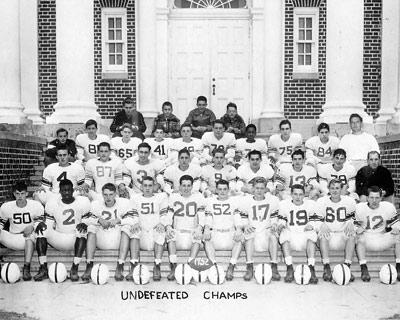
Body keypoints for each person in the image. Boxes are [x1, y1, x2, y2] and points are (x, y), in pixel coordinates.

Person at [34, 179, 90, 281]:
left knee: (82, 230)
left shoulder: (82, 202)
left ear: (73, 190)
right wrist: (42, 224)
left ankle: (75, 268)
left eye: (69, 190)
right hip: (59, 237)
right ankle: (43, 268)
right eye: (64, 190)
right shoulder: (52, 203)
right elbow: (49, 225)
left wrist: (85, 224)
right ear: (60, 191)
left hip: (75, 239)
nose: (67, 192)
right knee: (42, 230)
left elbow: (87, 221)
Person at [80, 183, 135, 282]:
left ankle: (120, 265)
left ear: (115, 194)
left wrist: (119, 221)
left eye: (111, 194)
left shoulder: (124, 203)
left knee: (126, 227)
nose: (108, 197)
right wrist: (99, 220)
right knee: (92, 227)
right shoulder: (96, 204)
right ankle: (89, 265)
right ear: (102, 194)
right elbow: (85, 220)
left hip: (118, 240)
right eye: (105, 195)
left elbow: (134, 219)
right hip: (102, 239)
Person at [230, 178, 281, 281]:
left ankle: (274, 266)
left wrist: (274, 225)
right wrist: (245, 226)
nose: (259, 191)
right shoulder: (246, 201)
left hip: (265, 233)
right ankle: (249, 266)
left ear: (265, 189)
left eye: (262, 188)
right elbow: (242, 218)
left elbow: (274, 218)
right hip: (253, 234)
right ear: (253, 188)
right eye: (257, 188)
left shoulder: (272, 200)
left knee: (273, 235)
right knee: (249, 234)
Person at [122, 177, 169, 281]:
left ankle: (157, 265)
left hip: (154, 234)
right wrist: (135, 223)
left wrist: (162, 223)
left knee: (160, 231)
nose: (147, 188)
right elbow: (132, 215)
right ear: (141, 187)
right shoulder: (135, 198)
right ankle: (134, 265)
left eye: (150, 185)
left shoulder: (161, 197)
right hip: (142, 235)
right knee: (134, 231)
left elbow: (164, 214)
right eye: (145, 185)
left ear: (154, 186)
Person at [354, 186, 400, 282]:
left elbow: (396, 223)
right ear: (367, 198)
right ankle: (363, 267)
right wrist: (360, 228)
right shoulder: (359, 208)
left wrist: (396, 228)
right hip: (367, 239)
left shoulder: (388, 206)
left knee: (398, 235)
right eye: (371, 197)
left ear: (381, 198)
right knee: (359, 237)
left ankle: (399, 266)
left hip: (382, 237)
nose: (374, 200)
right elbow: (355, 228)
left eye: (377, 198)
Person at [0, 182, 44, 281]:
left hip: (29, 238)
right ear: (14, 194)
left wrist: (33, 226)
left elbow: (40, 222)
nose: (20, 196)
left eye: (22, 193)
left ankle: (26, 268)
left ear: (27, 194)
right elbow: (1, 223)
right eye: (17, 194)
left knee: (31, 235)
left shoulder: (35, 205)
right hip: (12, 237)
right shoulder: (6, 206)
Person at [165, 175, 206, 280]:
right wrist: (168, 226)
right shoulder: (174, 197)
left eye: (188, 185)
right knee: (170, 235)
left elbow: (202, 215)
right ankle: (173, 267)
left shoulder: (198, 197)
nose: (186, 188)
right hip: (178, 232)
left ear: (192, 187)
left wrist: (199, 227)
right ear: (179, 186)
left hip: (191, 231)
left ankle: (189, 265)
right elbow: (169, 214)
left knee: (198, 236)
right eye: (184, 185)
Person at [315, 179, 357, 282]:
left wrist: (351, 223)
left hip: (342, 233)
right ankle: (326, 266)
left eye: (337, 188)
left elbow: (355, 219)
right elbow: (316, 220)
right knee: (323, 234)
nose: (335, 191)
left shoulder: (349, 201)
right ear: (328, 189)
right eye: (332, 188)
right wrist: (322, 225)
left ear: (341, 189)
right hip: (328, 233)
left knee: (351, 235)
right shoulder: (321, 201)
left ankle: (347, 266)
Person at [277, 184, 319, 283]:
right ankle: (289, 267)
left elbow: (315, 221)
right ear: (291, 194)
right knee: (284, 233)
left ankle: (311, 267)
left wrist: (311, 225)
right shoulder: (284, 204)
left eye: (300, 194)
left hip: (304, 235)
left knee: (312, 234)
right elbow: (281, 220)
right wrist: (281, 225)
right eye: (295, 194)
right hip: (292, 235)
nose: (298, 197)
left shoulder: (310, 204)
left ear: (304, 195)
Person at [203, 180, 242, 279]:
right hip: (216, 233)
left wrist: (238, 229)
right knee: (206, 239)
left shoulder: (233, 201)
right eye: (220, 189)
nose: (222, 191)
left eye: (225, 189)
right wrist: (206, 228)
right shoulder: (210, 201)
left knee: (240, 239)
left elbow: (237, 217)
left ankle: (232, 265)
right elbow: (208, 218)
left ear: (228, 190)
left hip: (229, 233)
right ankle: (213, 265)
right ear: (216, 190)